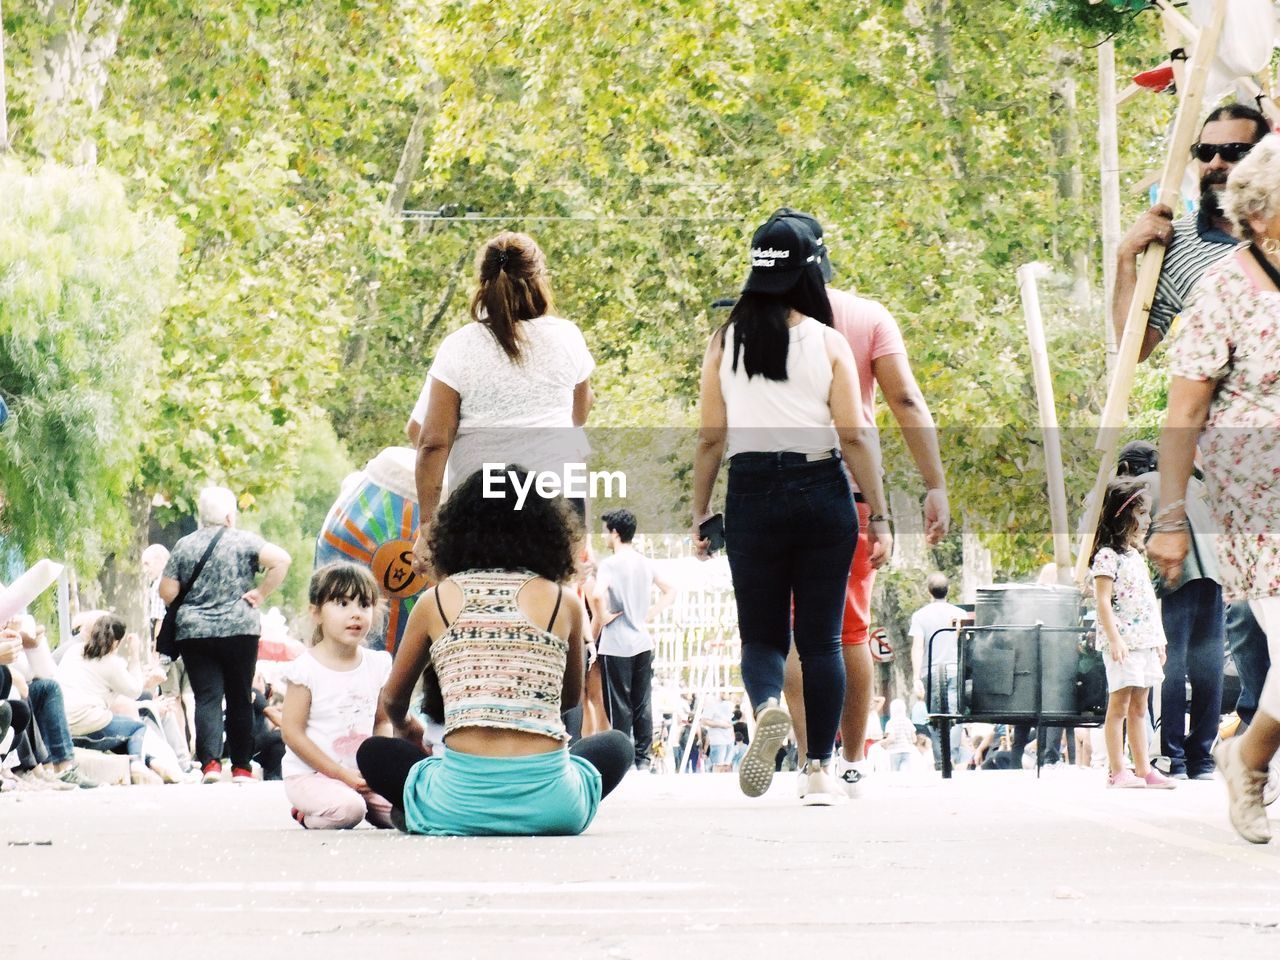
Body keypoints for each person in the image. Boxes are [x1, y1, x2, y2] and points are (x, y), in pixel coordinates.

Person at [691, 215, 893, 805]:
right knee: (823, 639)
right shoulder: (829, 343)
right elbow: (854, 435)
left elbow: (709, 437)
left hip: (752, 491)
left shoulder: (724, 341)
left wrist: (701, 512)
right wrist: (878, 511)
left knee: (762, 637)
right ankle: (818, 773)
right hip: (821, 491)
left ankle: (768, 707)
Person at [766, 208, 950, 801]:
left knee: (797, 636)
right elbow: (905, 400)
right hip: (848, 493)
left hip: (771, 490)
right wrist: (933, 483)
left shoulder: (751, 321)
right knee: (850, 633)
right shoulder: (867, 317)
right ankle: (849, 760)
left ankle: (807, 761)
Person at [356, 469, 633, 836]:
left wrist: (409, 729)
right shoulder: (563, 602)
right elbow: (567, 701)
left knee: (373, 753)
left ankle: (423, 808)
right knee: (616, 746)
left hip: (454, 804)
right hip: (555, 807)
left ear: (455, 530)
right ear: (548, 530)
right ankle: (533, 806)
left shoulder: (435, 600)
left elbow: (392, 700)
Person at [1149, 134, 1280, 841]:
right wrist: (1170, 517)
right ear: (1259, 212)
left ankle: (1245, 752)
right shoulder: (1222, 289)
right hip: (1259, 498)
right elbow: (1185, 412)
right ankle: (1248, 758)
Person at [411, 232, 595, 577]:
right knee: (552, 604)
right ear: (539, 280)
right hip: (555, 507)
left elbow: (432, 443)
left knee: (474, 605)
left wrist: (427, 526)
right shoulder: (568, 336)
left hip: (478, 508)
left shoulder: (458, 346)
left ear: (482, 283)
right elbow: (578, 416)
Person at [1113, 104, 1269, 363]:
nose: (1215, 163)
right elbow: (1133, 348)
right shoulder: (1177, 244)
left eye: (1233, 152)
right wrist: (1125, 256)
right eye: (1205, 152)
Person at [159, 486, 292, 784]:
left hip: (195, 633)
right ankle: (242, 768)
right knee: (239, 696)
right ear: (230, 516)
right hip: (239, 630)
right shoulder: (245, 541)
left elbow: (167, 592)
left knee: (207, 697)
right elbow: (282, 559)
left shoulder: (185, 545)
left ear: (201, 516)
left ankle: (210, 765)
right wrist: (261, 592)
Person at [1120, 440, 1224, 780]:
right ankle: (1202, 760)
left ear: (1126, 468)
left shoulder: (1139, 486)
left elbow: (1122, 536)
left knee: (1168, 666)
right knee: (1208, 668)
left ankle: (1171, 758)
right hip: (1214, 577)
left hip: (1174, 579)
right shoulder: (1190, 483)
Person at [278, 564, 394, 829]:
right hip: (311, 776)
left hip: (362, 778)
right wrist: (340, 774)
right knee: (349, 810)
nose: (355, 614)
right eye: (342, 603)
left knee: (407, 814)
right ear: (316, 612)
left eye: (364, 604)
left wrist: (378, 767)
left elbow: (382, 720)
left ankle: (364, 805)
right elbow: (292, 733)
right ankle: (305, 813)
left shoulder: (377, 664)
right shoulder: (306, 669)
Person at [1090, 478, 1174, 790]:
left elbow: (1148, 602)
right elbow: (1101, 600)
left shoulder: (1135, 556)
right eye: (1144, 513)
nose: (1149, 519)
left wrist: (1159, 639)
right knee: (1119, 707)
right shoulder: (1106, 557)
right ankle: (1116, 769)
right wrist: (1115, 639)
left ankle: (1143, 769)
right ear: (1125, 515)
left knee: (1141, 707)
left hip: (1144, 642)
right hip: (1123, 643)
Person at [592, 508, 675, 770]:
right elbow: (670, 590)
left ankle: (623, 759)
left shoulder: (609, 564)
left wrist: (602, 615)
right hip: (642, 640)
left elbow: (596, 594)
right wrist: (649, 614)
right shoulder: (645, 562)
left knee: (618, 704)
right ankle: (643, 758)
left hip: (616, 642)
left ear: (615, 533)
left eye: (606, 531)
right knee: (642, 702)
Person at [56, 614, 169, 785]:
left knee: (121, 732)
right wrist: (134, 655)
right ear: (116, 642)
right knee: (136, 729)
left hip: (62, 726)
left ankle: (150, 762)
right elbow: (135, 690)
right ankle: (138, 763)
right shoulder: (111, 663)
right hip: (87, 726)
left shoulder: (73, 651)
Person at [908, 572, 966, 770]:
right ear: (948, 590)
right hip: (955, 669)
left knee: (935, 715)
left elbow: (918, 646)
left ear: (928, 591)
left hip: (930, 670)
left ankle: (941, 760)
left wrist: (916, 677)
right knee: (955, 714)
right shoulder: (960, 614)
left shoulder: (920, 615)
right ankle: (954, 757)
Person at [881, 699, 916, 773]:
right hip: (907, 751)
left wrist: (882, 743)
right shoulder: (908, 721)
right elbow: (914, 739)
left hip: (894, 752)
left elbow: (891, 738)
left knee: (895, 775)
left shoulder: (891, 722)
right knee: (906, 774)